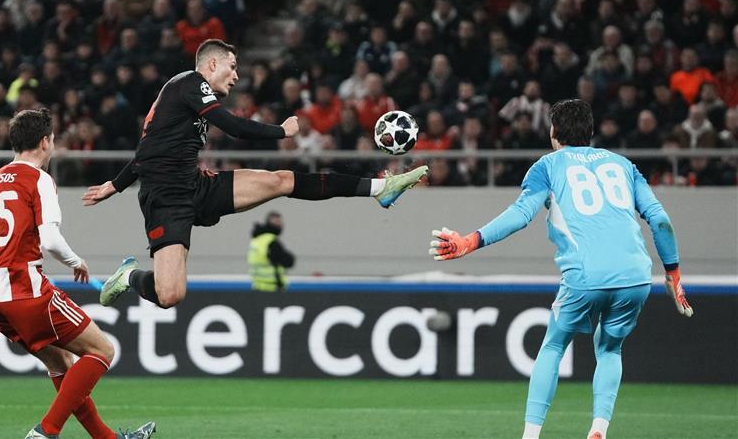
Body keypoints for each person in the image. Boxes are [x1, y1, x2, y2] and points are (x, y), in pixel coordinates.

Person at [81, 39, 427, 309]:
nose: (236, 75)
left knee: (282, 180)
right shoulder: (189, 82)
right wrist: (282, 131)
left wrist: (115, 184)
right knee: (170, 294)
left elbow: (147, 150)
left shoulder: (182, 98)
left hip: (196, 185)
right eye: (231, 67)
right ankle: (128, 276)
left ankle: (380, 188)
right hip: (166, 200)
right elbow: (230, 126)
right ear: (211, 63)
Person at [428, 99, 693, 439]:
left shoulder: (547, 166)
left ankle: (530, 435)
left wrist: (470, 241)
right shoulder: (624, 165)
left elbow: (520, 214)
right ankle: (599, 428)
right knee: (610, 348)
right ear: (591, 131)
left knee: (554, 345)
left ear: (554, 132)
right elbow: (660, 221)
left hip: (585, 276)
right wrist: (673, 274)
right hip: (636, 277)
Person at [0, 109, 155, 439]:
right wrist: (75, 261)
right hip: (25, 289)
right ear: (45, 141)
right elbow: (51, 240)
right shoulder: (38, 179)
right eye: (53, 140)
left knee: (60, 366)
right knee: (102, 351)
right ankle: (46, 431)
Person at [248, 211, 295, 292]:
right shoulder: (271, 241)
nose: (281, 225)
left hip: (257, 287)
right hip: (272, 288)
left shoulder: (256, 240)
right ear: (270, 222)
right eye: (278, 222)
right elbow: (287, 262)